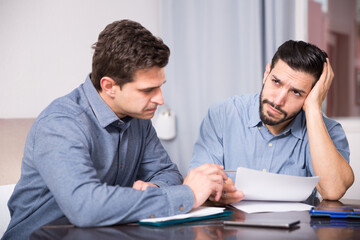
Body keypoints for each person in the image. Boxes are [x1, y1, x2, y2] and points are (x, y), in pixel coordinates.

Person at [2, 20, 226, 240]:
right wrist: (189, 195)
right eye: (148, 90)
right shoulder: (60, 124)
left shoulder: (138, 118)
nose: (160, 99)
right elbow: (85, 207)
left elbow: (167, 173)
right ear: (109, 86)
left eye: (160, 87)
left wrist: (154, 188)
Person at [189, 40, 354, 205]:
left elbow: (333, 190)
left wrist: (313, 108)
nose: (278, 100)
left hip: (298, 229)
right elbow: (198, 185)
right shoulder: (223, 114)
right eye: (276, 82)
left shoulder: (328, 130)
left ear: (312, 95)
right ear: (266, 73)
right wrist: (216, 192)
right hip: (229, 227)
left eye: (296, 92)